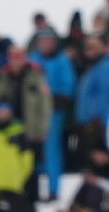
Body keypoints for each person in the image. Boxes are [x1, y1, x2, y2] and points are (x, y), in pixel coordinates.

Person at [0, 46, 52, 202]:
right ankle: (11, 198)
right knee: (11, 164)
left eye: (19, 57)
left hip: (31, 128)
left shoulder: (35, 76)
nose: (16, 61)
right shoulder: (3, 76)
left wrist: (42, 128)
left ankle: (31, 200)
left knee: (31, 166)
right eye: (13, 57)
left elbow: (45, 105)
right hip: (9, 129)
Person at [29, 29, 77, 201]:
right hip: (32, 113)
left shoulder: (62, 60)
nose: (45, 43)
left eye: (49, 40)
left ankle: (53, 190)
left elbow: (68, 85)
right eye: (42, 40)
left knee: (52, 150)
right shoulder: (33, 60)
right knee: (31, 150)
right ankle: (31, 190)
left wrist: (57, 98)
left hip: (53, 112)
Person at [73, 35, 109, 160]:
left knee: (97, 159)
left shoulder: (104, 66)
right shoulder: (89, 66)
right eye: (87, 47)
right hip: (87, 121)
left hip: (98, 122)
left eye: (93, 46)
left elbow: (103, 93)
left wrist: (97, 116)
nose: (89, 50)